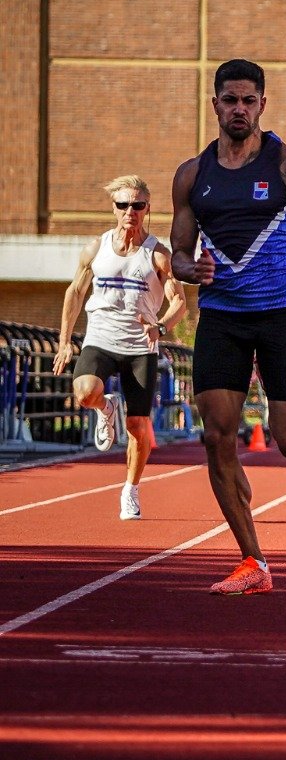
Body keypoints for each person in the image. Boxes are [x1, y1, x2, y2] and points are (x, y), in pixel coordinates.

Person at [170, 59, 286, 595]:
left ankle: (278, 410)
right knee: (216, 436)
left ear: (262, 105)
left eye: (249, 100)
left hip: (283, 316)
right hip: (222, 317)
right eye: (230, 100)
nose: (239, 109)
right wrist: (186, 268)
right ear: (216, 104)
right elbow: (178, 252)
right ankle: (253, 561)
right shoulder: (192, 175)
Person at [51, 175, 186, 520]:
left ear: (147, 209)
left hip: (141, 346)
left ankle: (131, 489)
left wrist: (161, 327)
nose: (131, 211)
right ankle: (105, 407)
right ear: (114, 209)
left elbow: (179, 302)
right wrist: (65, 341)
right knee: (84, 392)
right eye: (124, 205)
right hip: (101, 338)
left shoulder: (157, 255)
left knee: (139, 426)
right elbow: (75, 293)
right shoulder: (96, 249)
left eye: (138, 205)